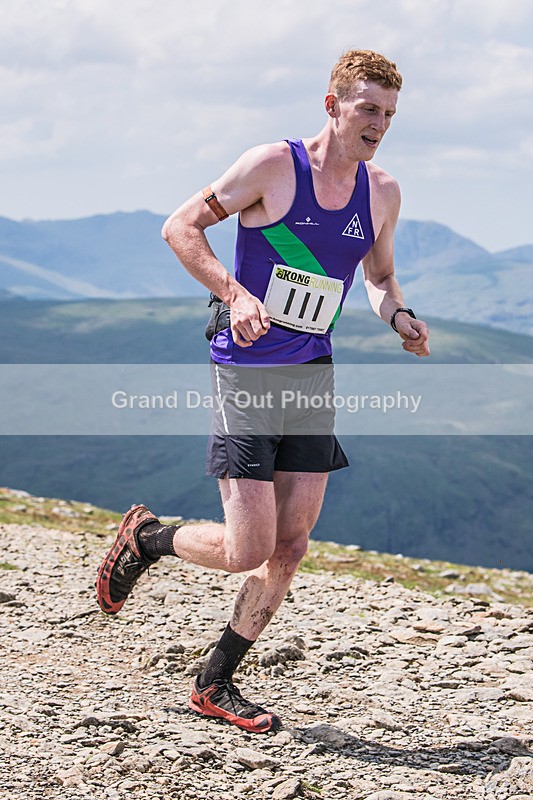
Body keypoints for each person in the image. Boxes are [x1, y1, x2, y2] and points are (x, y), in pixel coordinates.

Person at [96, 49, 430, 734]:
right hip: (246, 370)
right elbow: (180, 226)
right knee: (247, 548)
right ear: (332, 105)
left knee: (292, 542)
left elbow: (378, 276)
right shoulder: (273, 166)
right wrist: (235, 293)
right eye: (367, 109)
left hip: (310, 372)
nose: (379, 124)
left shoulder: (382, 191)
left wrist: (398, 316)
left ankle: (215, 682)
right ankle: (147, 539)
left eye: (390, 114)